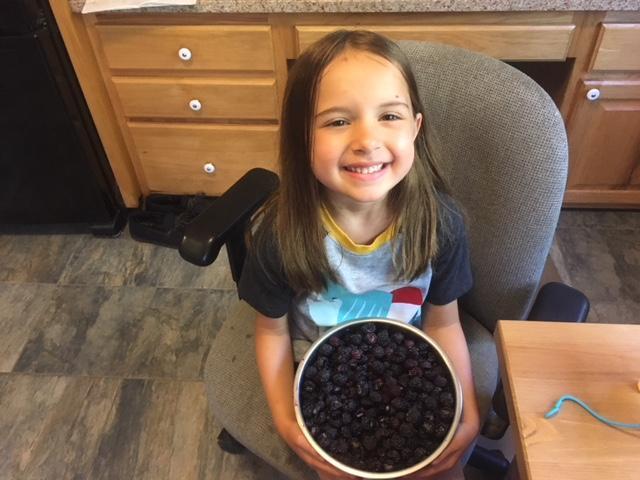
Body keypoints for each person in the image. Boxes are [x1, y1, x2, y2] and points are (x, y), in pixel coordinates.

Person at [238, 30, 479, 480]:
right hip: (317, 361)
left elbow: (444, 322)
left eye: (389, 115)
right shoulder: (280, 234)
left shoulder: (441, 224)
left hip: (407, 356)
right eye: (337, 122)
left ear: (415, 127)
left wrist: (467, 411)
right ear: (301, 138)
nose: (367, 140)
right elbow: (271, 331)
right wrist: (286, 421)